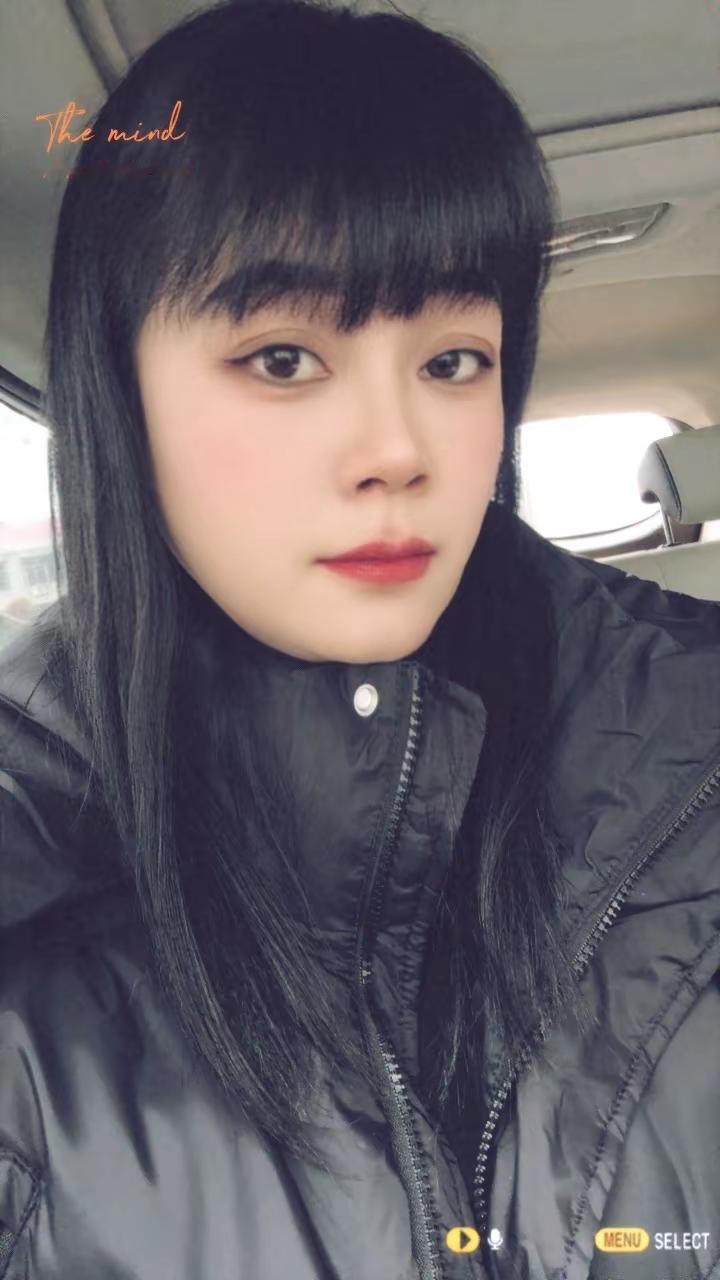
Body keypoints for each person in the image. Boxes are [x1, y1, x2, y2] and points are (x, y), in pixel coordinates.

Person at [0, 1, 719, 1277]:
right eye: (283, 358)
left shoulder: (691, 750)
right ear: (118, 392)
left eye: (453, 361)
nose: (400, 450)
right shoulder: (34, 869)